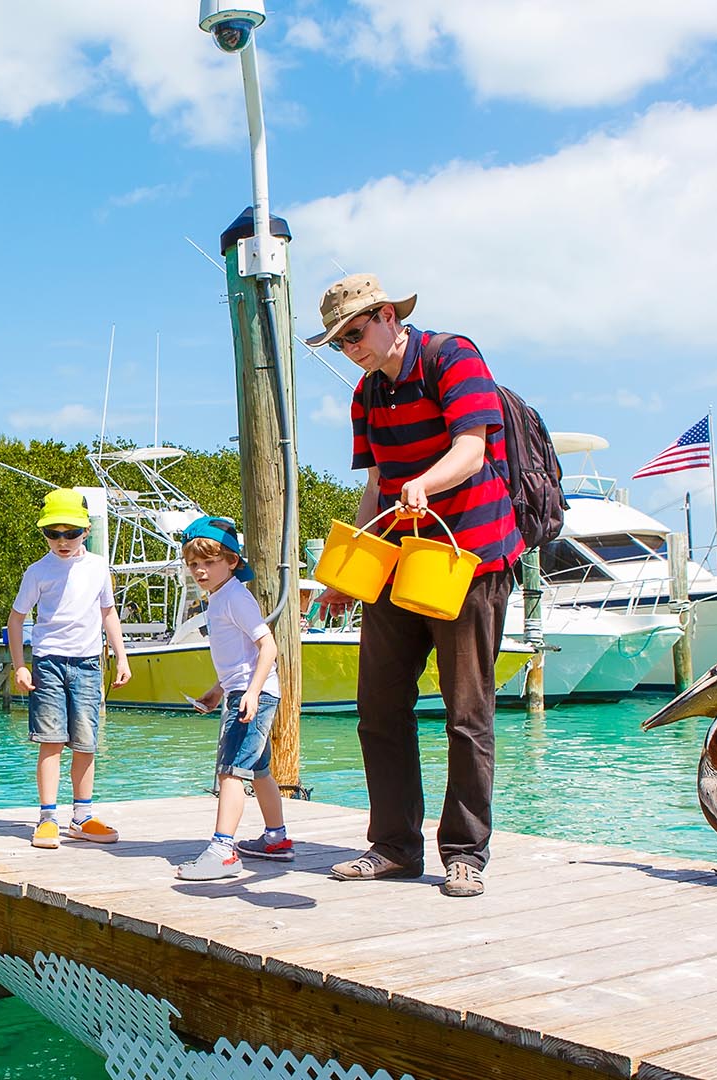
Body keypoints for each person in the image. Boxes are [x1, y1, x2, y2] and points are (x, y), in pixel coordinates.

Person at [306, 273, 521, 899]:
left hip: (471, 560)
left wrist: (427, 481)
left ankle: (465, 853)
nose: (351, 348)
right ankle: (395, 847)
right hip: (400, 564)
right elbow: (375, 487)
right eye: (339, 342)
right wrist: (351, 573)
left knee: (467, 713)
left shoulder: (453, 357)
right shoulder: (366, 395)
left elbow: (473, 451)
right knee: (377, 709)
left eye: (355, 333)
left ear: (386, 316)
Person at [8, 488, 132, 849]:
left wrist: (122, 657)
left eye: (71, 533)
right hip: (48, 664)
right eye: (53, 533)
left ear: (85, 531)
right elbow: (17, 620)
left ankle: (82, 816)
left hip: (89, 665)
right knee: (51, 742)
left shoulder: (97, 567)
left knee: (86, 742)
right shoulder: (37, 571)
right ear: (44, 534)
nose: (62, 541)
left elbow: (108, 613)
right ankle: (48, 817)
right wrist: (20, 665)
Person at [173, 517, 290, 881]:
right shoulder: (220, 598)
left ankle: (223, 851)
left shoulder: (235, 597)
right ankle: (276, 839)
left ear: (232, 562)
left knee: (229, 772)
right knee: (257, 770)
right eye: (194, 564)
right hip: (243, 691)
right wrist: (218, 689)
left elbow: (267, 646)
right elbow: (241, 657)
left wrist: (251, 693)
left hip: (251, 696)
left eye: (209, 562)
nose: (200, 571)